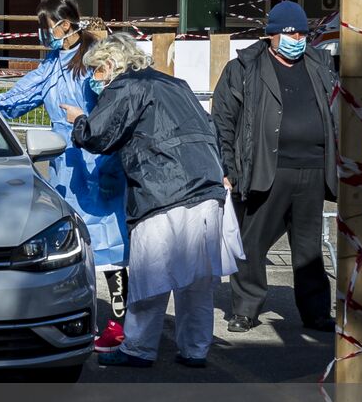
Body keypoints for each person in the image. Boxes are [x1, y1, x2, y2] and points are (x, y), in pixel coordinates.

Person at [64, 33, 241, 367]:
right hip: (207, 186)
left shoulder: (125, 86)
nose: (94, 81)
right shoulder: (177, 84)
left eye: (96, 72)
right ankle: (195, 349)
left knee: (150, 276)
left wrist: (78, 121)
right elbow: (209, 127)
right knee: (197, 281)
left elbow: (98, 136)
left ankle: (138, 348)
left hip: (162, 190)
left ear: (110, 65)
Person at [0, 0, 129, 315]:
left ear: (64, 25)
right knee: (69, 243)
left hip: (98, 164)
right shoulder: (50, 67)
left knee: (109, 243)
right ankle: (77, 312)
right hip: (64, 167)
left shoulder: (95, 58)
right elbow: (16, 99)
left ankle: (122, 320)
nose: (43, 32)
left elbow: (118, 100)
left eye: (46, 26)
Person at [212, 0, 338, 333]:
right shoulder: (245, 67)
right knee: (251, 243)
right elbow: (223, 119)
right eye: (289, 33)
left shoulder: (319, 63)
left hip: (312, 169)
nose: (297, 38)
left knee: (308, 248)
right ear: (271, 35)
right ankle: (246, 309)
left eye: (302, 32)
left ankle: (316, 312)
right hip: (266, 168)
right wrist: (227, 166)